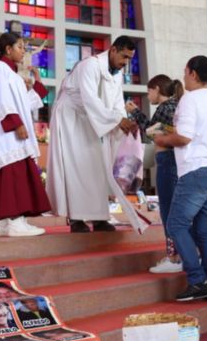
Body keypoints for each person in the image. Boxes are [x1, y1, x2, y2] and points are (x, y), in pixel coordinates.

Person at [46, 35, 146, 234]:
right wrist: (117, 120)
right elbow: (90, 98)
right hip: (71, 118)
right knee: (75, 167)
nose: (125, 63)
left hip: (94, 120)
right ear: (114, 50)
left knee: (97, 166)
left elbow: (117, 103)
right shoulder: (89, 65)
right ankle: (75, 219)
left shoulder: (116, 73)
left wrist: (123, 122)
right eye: (124, 57)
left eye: (129, 59)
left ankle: (99, 218)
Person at [152, 55, 207, 302]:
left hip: (197, 171)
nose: (183, 77)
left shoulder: (190, 99)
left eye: (185, 72)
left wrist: (161, 139)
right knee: (203, 230)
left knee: (176, 225)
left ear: (194, 74)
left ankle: (197, 280)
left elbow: (184, 137)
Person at [0, 33, 50, 237]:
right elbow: (1, 100)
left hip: (13, 133)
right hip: (8, 134)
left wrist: (37, 85)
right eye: (20, 47)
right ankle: (15, 222)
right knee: (15, 177)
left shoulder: (12, 74)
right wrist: (16, 123)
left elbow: (25, 105)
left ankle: (5, 224)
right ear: (8, 49)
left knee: (12, 178)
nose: (24, 51)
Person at [126, 74, 185, 273]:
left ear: (157, 89)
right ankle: (181, 255)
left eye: (149, 91)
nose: (148, 95)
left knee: (168, 211)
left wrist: (135, 113)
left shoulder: (166, 108)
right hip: (177, 162)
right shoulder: (178, 105)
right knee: (178, 211)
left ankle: (174, 257)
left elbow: (153, 134)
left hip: (168, 162)